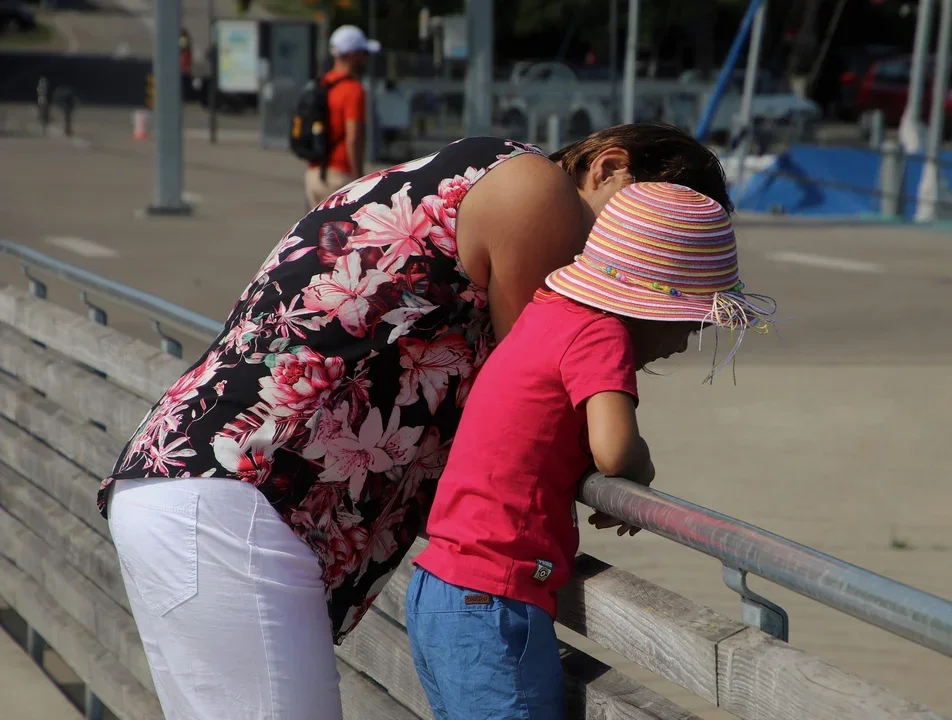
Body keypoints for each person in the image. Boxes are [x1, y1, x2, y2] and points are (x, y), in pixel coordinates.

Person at [98, 124, 734, 720]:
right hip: (242, 497)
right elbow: (530, 394)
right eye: (645, 221)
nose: (638, 245)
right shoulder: (538, 192)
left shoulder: (472, 168)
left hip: (208, 483)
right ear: (608, 166)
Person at [404, 182, 775, 720]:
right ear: (647, 308)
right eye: (690, 323)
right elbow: (615, 450)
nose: (686, 341)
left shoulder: (546, 312)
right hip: (493, 603)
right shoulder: (601, 334)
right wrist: (641, 469)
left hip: (443, 588)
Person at [304, 25, 382, 210]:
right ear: (352, 54)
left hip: (314, 174)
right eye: (363, 53)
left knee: (319, 236)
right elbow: (353, 137)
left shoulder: (321, 83)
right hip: (339, 177)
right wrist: (358, 179)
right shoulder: (353, 90)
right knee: (347, 236)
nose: (365, 58)